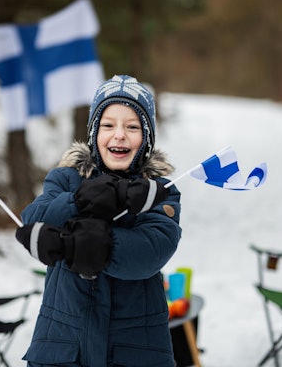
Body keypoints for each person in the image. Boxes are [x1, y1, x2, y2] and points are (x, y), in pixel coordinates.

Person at [15, 74, 182, 367]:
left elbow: (151, 250)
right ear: (94, 133)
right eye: (108, 125)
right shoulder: (65, 178)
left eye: (132, 126)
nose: (119, 135)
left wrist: (74, 245)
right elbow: (35, 221)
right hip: (63, 348)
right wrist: (79, 200)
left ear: (146, 137)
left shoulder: (158, 191)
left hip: (135, 350)